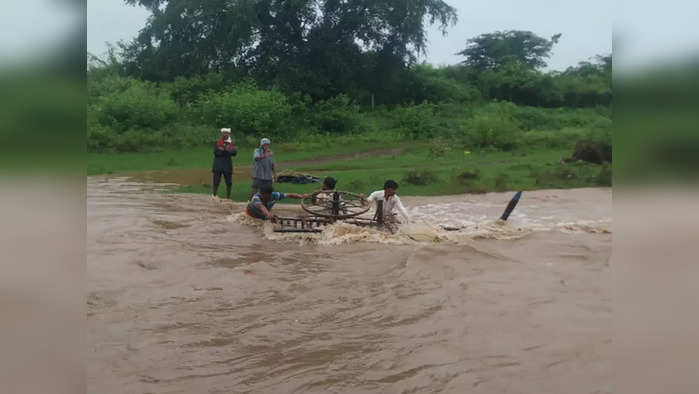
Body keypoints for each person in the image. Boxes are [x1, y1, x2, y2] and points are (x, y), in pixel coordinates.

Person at [212, 128, 238, 199]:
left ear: (229, 134)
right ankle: (214, 195)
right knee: (216, 181)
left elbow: (234, 153)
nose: (225, 134)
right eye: (224, 133)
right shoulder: (217, 142)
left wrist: (224, 149)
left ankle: (228, 197)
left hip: (227, 165)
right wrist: (228, 150)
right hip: (218, 164)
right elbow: (216, 152)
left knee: (229, 182)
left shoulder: (232, 143)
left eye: (227, 133)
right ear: (221, 134)